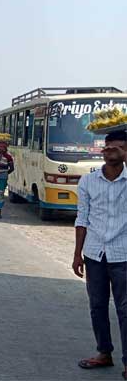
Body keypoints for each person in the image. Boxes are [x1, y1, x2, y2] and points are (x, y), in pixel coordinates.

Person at [73, 130, 127, 378]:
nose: (109, 152)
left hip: (123, 255)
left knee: (125, 310)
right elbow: (82, 219)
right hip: (94, 254)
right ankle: (104, 352)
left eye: (117, 148)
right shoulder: (88, 181)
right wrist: (77, 255)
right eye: (107, 148)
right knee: (97, 306)